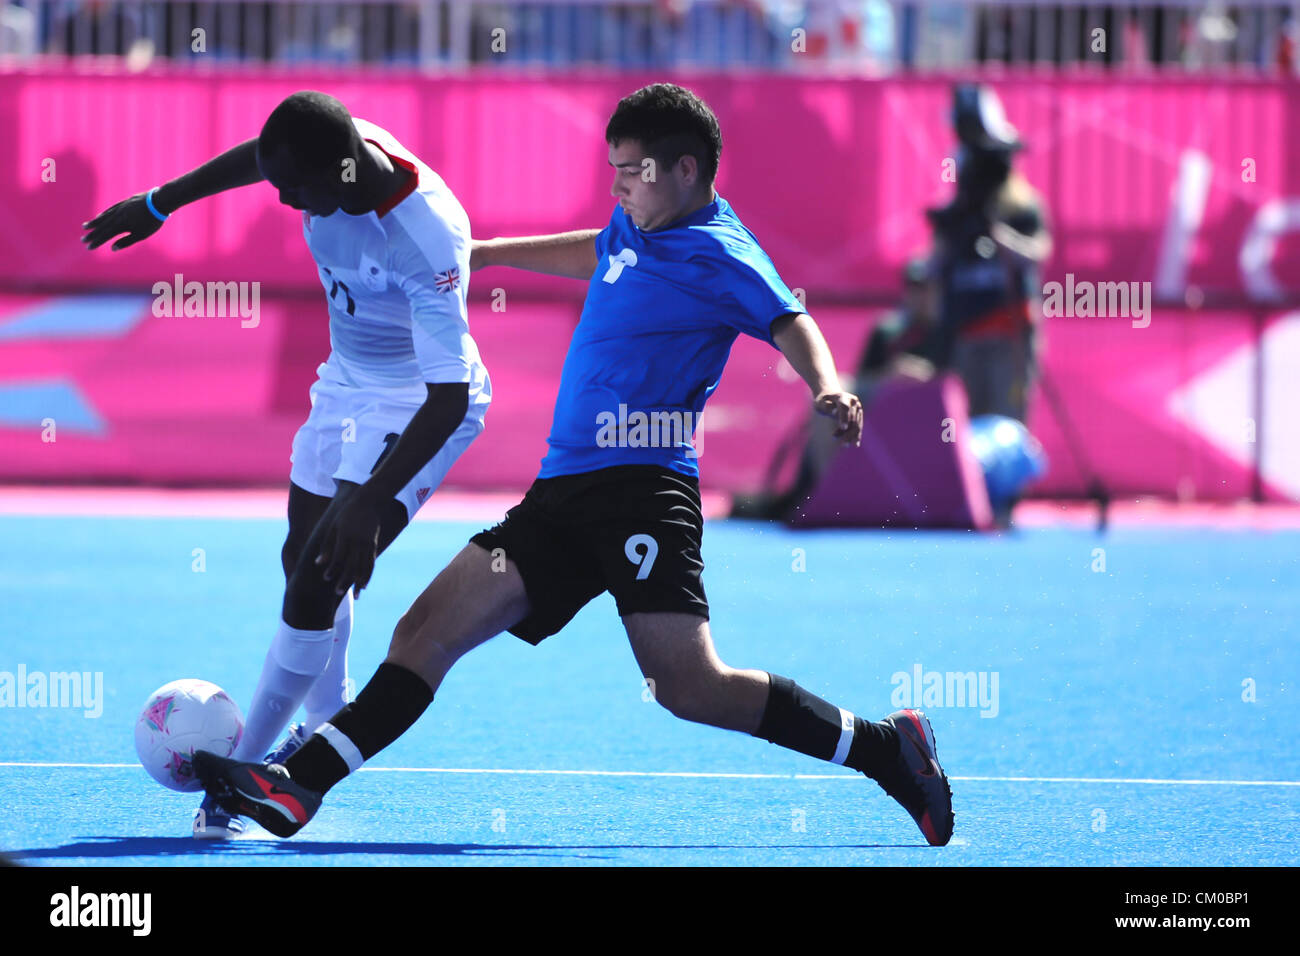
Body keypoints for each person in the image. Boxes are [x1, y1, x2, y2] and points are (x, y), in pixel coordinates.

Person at [194, 83, 954, 847]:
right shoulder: (636, 225)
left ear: (685, 170)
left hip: (642, 496)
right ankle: (299, 787)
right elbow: (593, 249)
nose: (618, 184)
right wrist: (485, 254)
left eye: (632, 169)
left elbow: (792, 321)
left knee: (690, 687)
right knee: (425, 629)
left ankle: (887, 748)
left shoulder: (722, 253)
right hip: (562, 494)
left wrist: (827, 387)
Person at [81, 91, 491, 838]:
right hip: (345, 383)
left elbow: (447, 396)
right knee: (300, 559)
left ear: (340, 173)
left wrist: (370, 499)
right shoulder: (333, 152)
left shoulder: (424, 235)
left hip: (416, 404)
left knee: (317, 578)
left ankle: (246, 773)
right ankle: (326, 715)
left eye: (294, 188)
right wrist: (161, 201)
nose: (281, 198)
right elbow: (262, 159)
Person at [927, 83, 1051, 426]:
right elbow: (934, 268)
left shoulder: (1022, 206)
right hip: (965, 335)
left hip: (1008, 334)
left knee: (1005, 426)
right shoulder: (958, 214)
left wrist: (1000, 237)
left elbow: (1037, 252)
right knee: (965, 431)